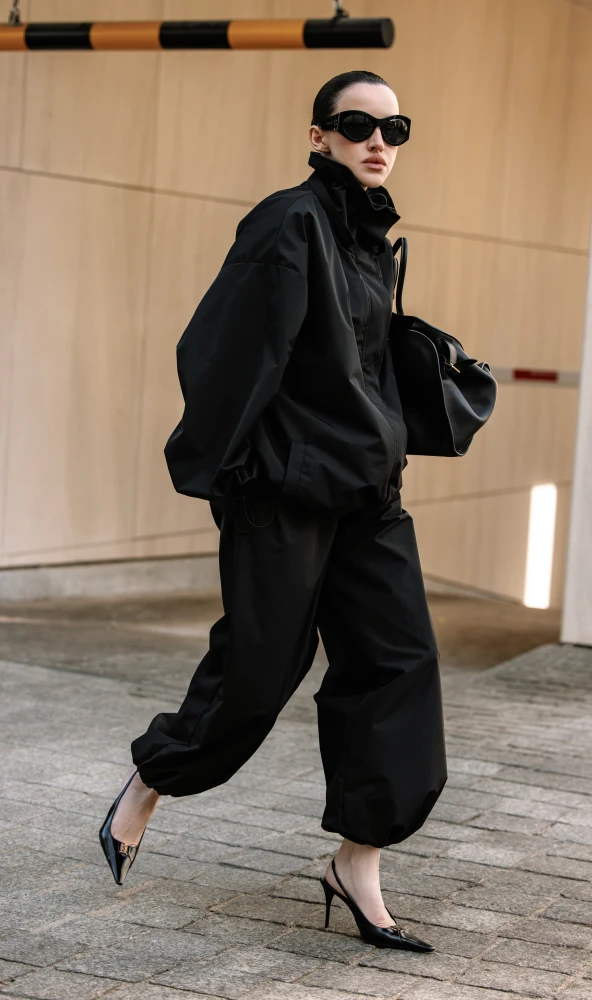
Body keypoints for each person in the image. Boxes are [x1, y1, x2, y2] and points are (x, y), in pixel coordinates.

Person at [99, 70, 447, 952]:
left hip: (368, 496)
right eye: (356, 125)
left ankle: (355, 865)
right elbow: (221, 353)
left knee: (398, 668)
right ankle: (151, 776)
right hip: (284, 491)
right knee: (259, 671)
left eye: (394, 128)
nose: (377, 141)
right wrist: (237, 473)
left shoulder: (371, 237)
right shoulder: (287, 221)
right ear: (318, 135)